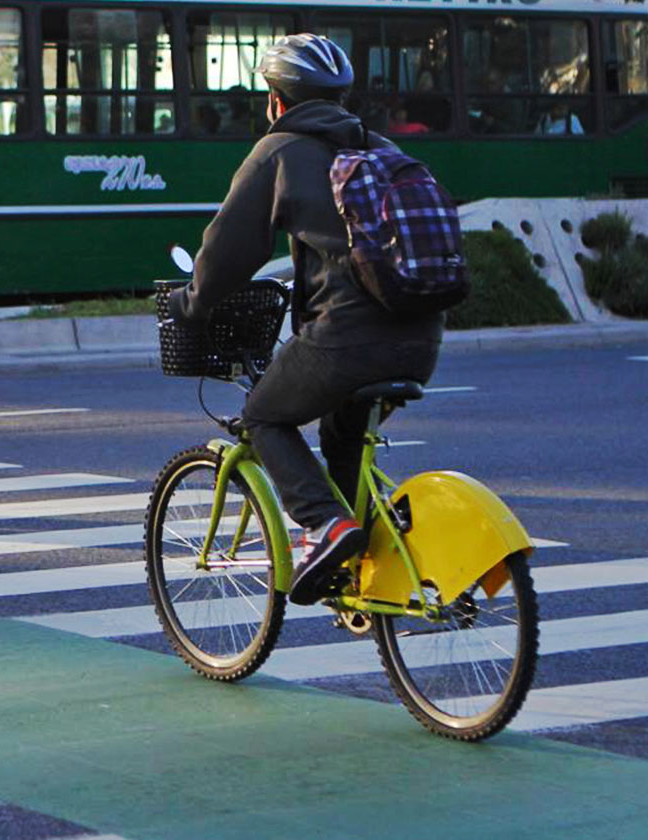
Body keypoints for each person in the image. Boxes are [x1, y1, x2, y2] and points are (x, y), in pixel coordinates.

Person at [167, 34, 445, 606]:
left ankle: (325, 525)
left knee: (263, 415)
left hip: (347, 338)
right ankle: (362, 564)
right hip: (422, 335)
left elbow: (229, 250)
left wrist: (191, 304)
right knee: (343, 434)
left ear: (276, 99)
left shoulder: (280, 151)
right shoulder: (380, 149)